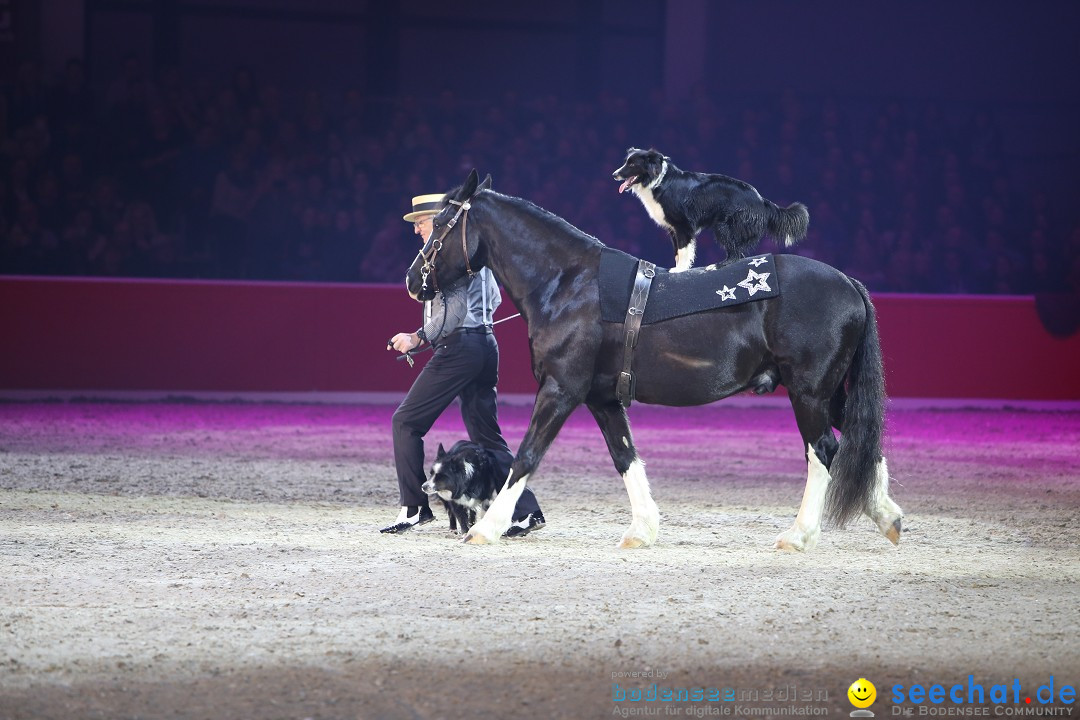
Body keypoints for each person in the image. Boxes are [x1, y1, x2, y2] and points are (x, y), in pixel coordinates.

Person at [381, 194, 546, 536]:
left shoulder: (450, 254)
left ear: (439, 220)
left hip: (460, 348)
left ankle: (413, 507)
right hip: (486, 344)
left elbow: (454, 314)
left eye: (422, 224)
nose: (418, 231)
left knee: (406, 422)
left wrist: (417, 337)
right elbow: (496, 298)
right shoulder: (476, 251)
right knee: (488, 439)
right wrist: (478, 319)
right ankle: (527, 511)